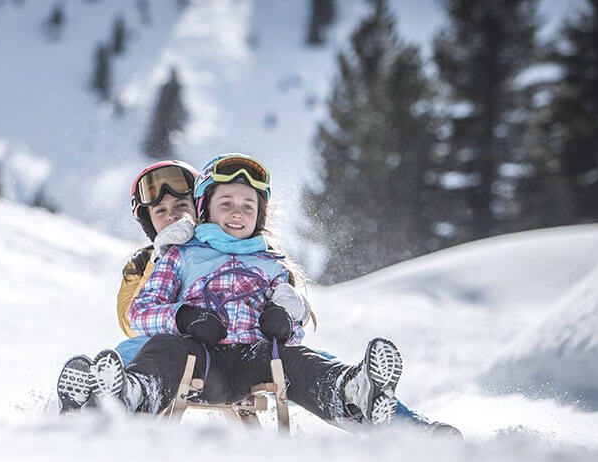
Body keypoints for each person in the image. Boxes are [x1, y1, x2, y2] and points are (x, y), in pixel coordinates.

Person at [60, 153, 451, 432]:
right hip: (197, 358)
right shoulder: (169, 257)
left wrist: (284, 323)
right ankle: (115, 397)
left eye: (247, 205)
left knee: (301, 359)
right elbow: (138, 317)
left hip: (254, 358)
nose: (236, 211)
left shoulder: (269, 262)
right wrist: (183, 314)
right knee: (156, 350)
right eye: (226, 202)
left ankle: (361, 397)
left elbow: (294, 324)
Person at [56, 160, 198, 412]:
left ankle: (125, 398)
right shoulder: (142, 264)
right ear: (149, 222)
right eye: (160, 212)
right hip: (149, 345)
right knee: (127, 351)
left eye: (181, 207)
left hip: (196, 349)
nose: (172, 216)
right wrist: (159, 258)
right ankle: (81, 405)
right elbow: (129, 321)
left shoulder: (215, 254)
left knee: (147, 352)